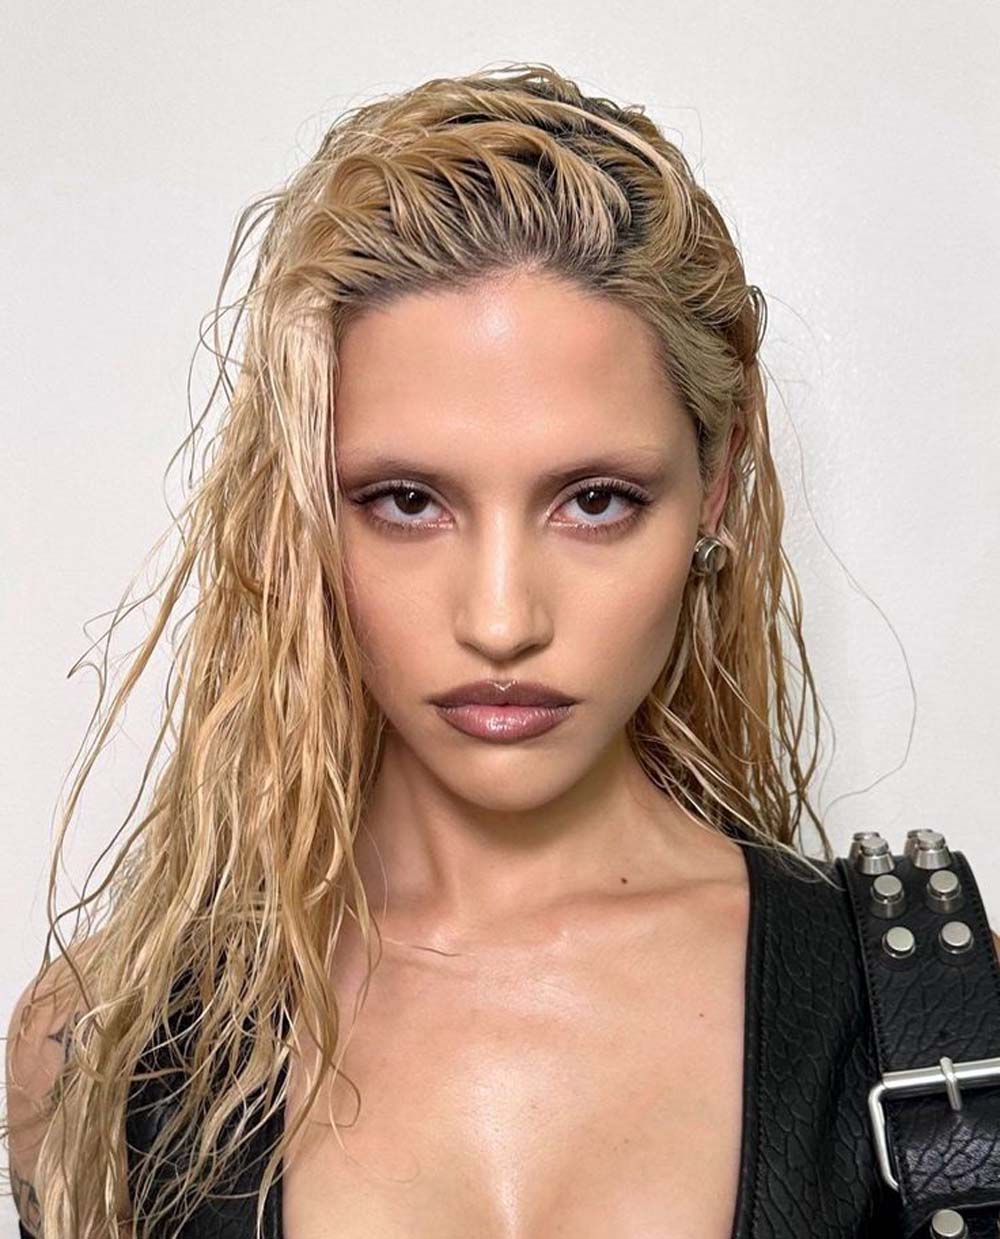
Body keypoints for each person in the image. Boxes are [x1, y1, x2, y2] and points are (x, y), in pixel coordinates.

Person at [4, 61, 998, 1239]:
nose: (500, 618)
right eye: (405, 501)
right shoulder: (98, 1045)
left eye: (595, 501)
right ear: (303, 509)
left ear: (717, 486)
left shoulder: (939, 1021)